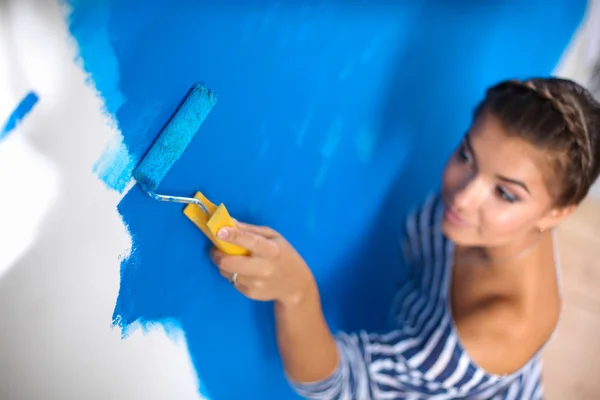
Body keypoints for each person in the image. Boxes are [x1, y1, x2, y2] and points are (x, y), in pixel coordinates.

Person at [209, 77, 600, 399]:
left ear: (557, 213)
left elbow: (336, 385)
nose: (463, 197)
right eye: (467, 155)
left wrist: (296, 292)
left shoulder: (484, 338)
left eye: (506, 193)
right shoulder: (521, 216)